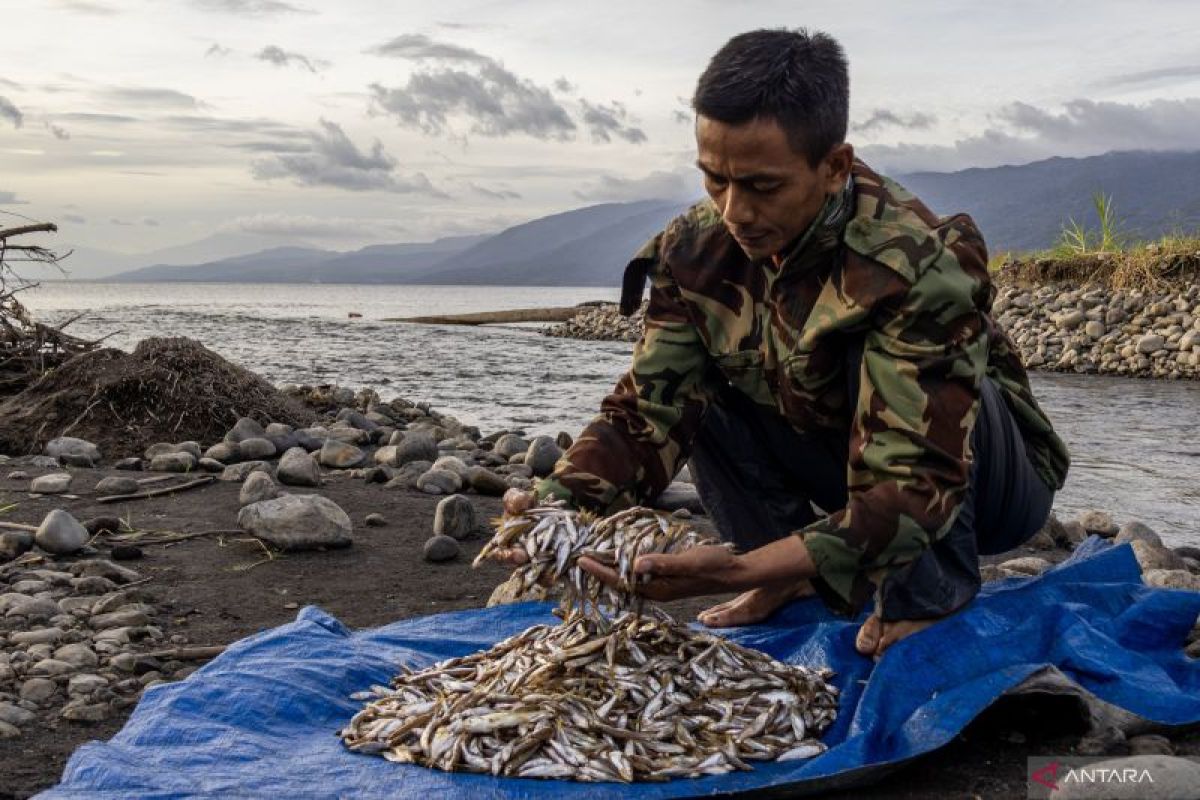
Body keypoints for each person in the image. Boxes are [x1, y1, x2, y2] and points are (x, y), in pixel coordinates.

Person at [497, 28, 1069, 659]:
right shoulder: (692, 253)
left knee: (860, 353)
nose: (734, 210)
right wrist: (557, 503)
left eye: (762, 186)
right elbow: (648, 410)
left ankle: (929, 599)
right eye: (715, 180)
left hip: (984, 487)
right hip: (839, 457)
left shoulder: (918, 261)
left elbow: (914, 478)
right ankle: (790, 575)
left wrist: (736, 571)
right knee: (698, 383)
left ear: (834, 168)